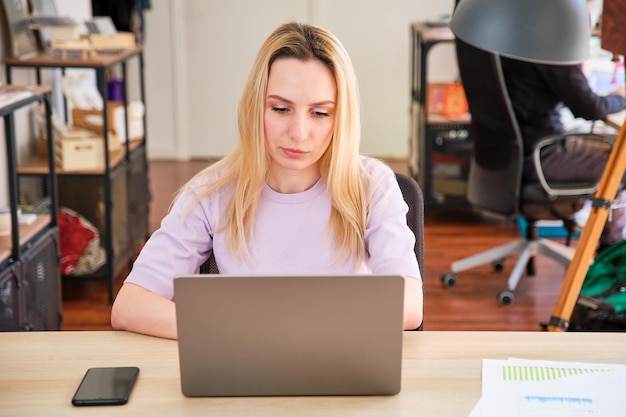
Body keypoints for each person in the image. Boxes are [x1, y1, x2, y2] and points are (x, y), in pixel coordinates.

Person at [111, 22, 424, 339]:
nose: (299, 133)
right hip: (245, 365)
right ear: (255, 107)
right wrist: (244, 331)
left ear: (341, 117)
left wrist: (291, 329)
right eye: (280, 108)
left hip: (340, 364)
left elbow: (410, 305)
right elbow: (131, 305)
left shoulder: (373, 185)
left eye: (320, 113)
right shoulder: (212, 192)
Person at [500, 55, 626, 247]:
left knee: (612, 153)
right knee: (620, 162)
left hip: (509, 156)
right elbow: (591, 107)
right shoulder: (550, 46)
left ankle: (610, 251)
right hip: (540, 155)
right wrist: (621, 97)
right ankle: (611, 256)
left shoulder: (511, 39)